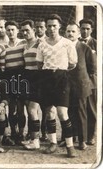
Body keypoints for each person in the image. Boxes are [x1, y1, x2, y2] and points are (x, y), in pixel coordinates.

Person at [36, 14, 78, 158]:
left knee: (62, 112)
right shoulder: (42, 44)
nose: (52, 28)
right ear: (46, 27)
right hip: (47, 78)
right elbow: (39, 63)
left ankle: (69, 146)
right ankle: (53, 143)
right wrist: (49, 72)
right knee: (49, 112)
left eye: (54, 25)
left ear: (60, 26)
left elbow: (73, 63)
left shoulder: (67, 43)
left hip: (62, 78)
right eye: (49, 26)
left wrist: (60, 70)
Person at [65, 22, 96, 150]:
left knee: (81, 112)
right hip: (65, 84)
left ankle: (82, 141)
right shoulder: (62, 46)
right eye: (68, 31)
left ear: (78, 33)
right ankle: (70, 139)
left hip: (81, 85)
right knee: (67, 112)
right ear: (65, 33)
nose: (70, 34)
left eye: (73, 31)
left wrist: (83, 80)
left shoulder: (84, 48)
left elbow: (92, 68)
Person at [20, 19, 42, 150]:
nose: (25, 32)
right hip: (27, 77)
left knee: (33, 110)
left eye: (27, 30)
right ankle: (32, 137)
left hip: (37, 78)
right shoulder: (24, 45)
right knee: (29, 110)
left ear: (34, 30)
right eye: (22, 31)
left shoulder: (40, 44)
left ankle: (36, 141)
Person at [3, 20, 26, 145]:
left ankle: (21, 133)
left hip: (22, 77)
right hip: (9, 77)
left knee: (21, 108)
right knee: (11, 108)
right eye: (8, 30)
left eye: (13, 29)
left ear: (17, 31)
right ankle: (13, 132)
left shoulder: (23, 44)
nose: (11, 32)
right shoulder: (4, 46)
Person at [79, 18, 97, 146]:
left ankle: (90, 136)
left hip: (92, 82)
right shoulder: (75, 42)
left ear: (92, 30)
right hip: (78, 82)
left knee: (91, 109)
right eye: (83, 28)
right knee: (78, 109)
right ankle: (80, 136)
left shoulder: (96, 43)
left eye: (87, 29)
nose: (85, 31)